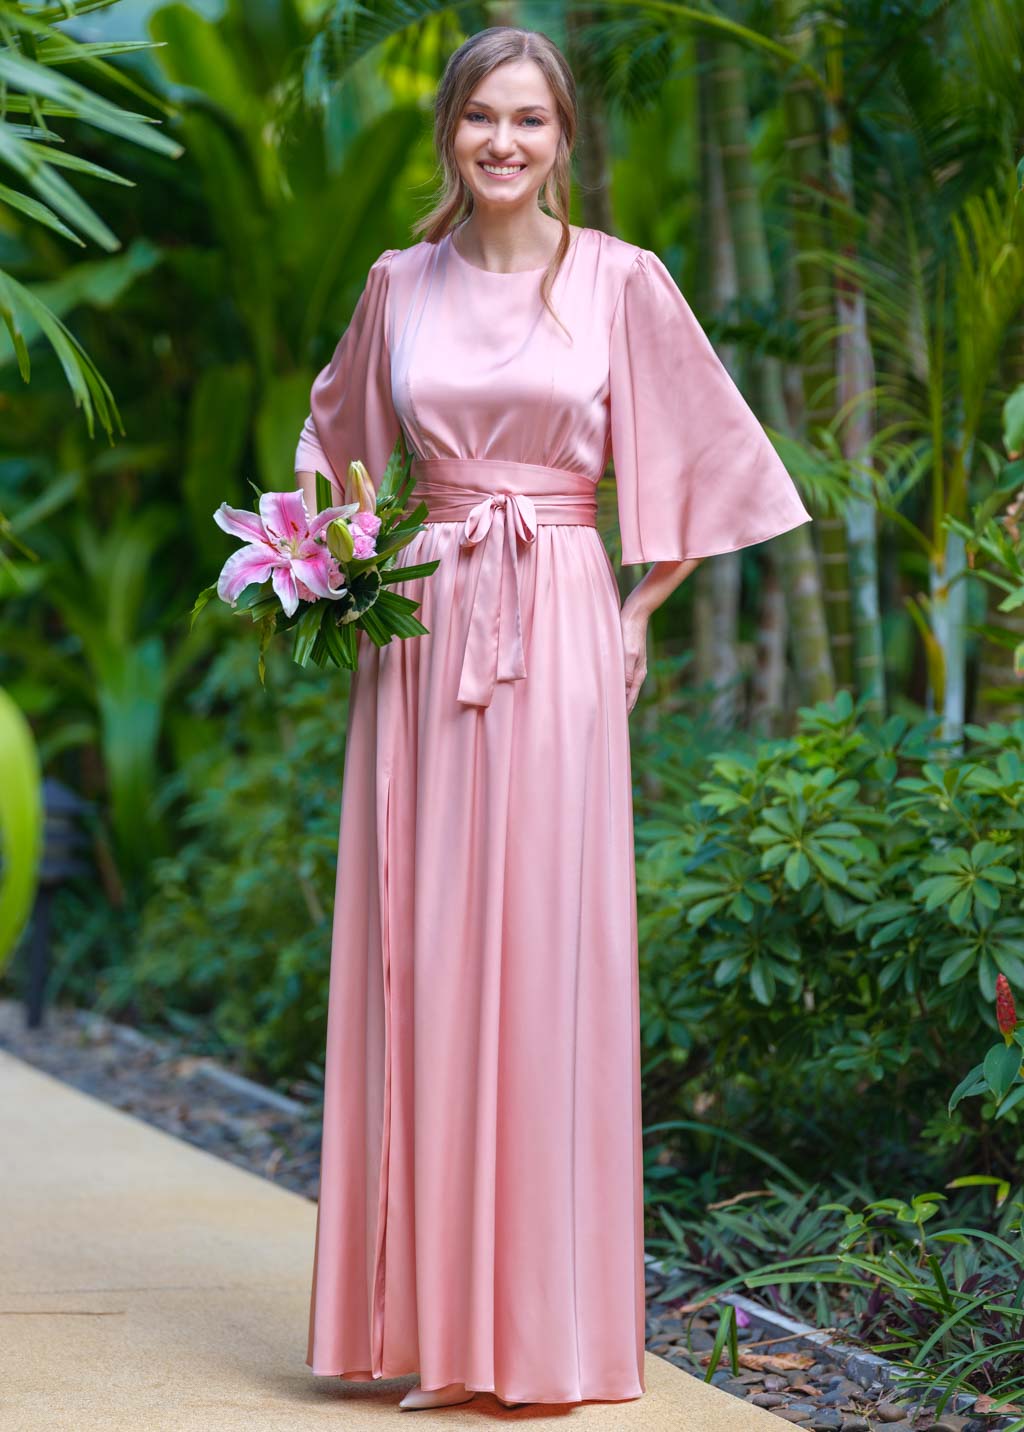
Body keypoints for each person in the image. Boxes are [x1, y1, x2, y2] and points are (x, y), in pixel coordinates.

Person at [294, 25, 812, 1414]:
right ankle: (427, 1326)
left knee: (544, 955)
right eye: (479, 118)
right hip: (421, 629)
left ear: (564, 137)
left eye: (529, 119)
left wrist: (641, 612)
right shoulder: (396, 283)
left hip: (567, 624)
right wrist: (327, 563)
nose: (503, 142)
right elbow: (335, 452)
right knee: (426, 947)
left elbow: (713, 453)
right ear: (449, 134)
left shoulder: (621, 282)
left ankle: (539, 1332)